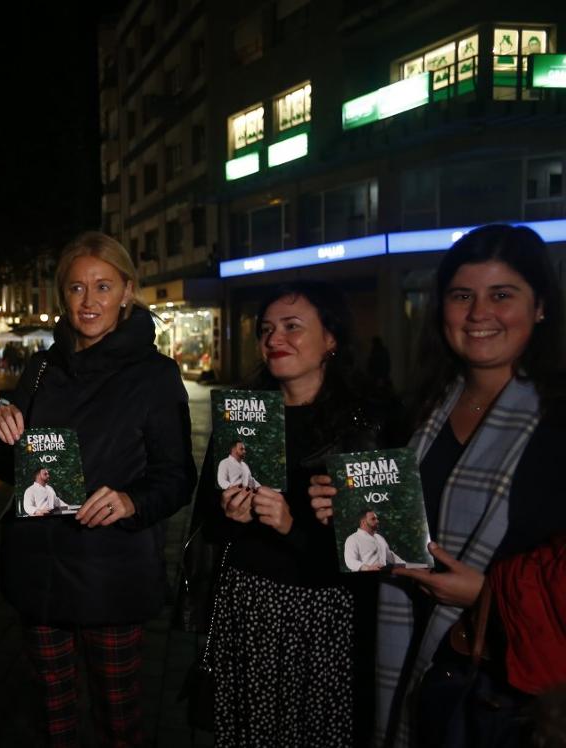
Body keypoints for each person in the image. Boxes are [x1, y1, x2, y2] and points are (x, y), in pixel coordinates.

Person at [308, 225, 566, 747]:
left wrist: (488, 595)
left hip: (504, 691)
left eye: (502, 295)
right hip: (408, 662)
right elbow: (396, 538)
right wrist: (345, 515)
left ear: (539, 307)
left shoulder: (560, 419)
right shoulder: (419, 412)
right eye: (461, 295)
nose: (478, 313)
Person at [0, 231, 196, 747]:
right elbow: (13, 466)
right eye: (77, 288)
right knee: (54, 723)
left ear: (127, 290)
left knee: (118, 723)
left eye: (103, 286)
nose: (89, 301)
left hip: (111, 577)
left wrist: (130, 500)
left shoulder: (155, 376)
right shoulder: (40, 368)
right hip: (39, 572)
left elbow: (178, 475)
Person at [197, 279, 399, 747]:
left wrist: (292, 526)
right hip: (245, 605)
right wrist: (229, 511)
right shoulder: (244, 414)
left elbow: (381, 549)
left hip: (322, 613)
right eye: (266, 329)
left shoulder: (367, 423)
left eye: (292, 326)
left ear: (331, 338)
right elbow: (207, 517)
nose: (274, 340)